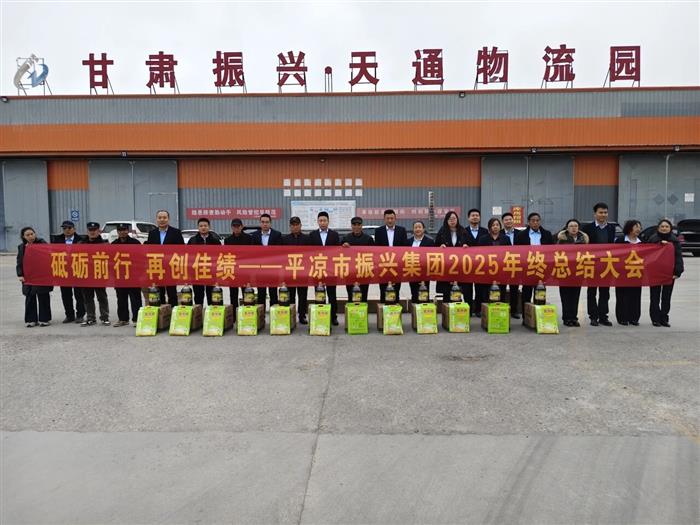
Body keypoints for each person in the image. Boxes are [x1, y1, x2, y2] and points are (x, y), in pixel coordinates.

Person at [581, 203, 616, 326]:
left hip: (607, 264)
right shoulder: (587, 228)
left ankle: (603, 316)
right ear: (595, 214)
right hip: (592, 264)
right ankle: (593, 316)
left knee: (605, 292)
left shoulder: (611, 228)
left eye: (605, 212)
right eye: (600, 212)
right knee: (592, 292)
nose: (603, 215)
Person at [647, 219, 684, 327]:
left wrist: (678, 271)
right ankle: (655, 319)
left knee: (666, 297)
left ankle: (664, 318)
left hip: (669, 273)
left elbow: (678, 257)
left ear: (670, 228)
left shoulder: (675, 241)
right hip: (655, 272)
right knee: (655, 296)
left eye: (666, 226)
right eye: (662, 226)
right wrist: (659, 244)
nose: (664, 228)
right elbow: (648, 254)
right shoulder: (653, 239)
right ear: (658, 228)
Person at [515, 212, 554, 313]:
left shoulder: (547, 234)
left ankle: (540, 314)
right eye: (533, 221)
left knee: (540, 292)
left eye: (537, 220)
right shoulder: (521, 235)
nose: (535, 223)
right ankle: (526, 315)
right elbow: (517, 252)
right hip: (527, 267)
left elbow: (552, 251)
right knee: (526, 293)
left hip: (542, 267)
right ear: (528, 222)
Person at [145, 210, 184, 307]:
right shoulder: (152, 233)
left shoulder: (176, 232)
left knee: (172, 292)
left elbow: (181, 249)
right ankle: (162, 312)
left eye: (164, 217)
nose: (162, 220)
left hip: (171, 266)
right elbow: (149, 250)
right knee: (159, 291)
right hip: (157, 266)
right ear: (156, 219)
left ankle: (173, 311)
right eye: (160, 218)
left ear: (168, 219)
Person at [308, 211, 341, 325]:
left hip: (331, 270)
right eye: (320, 221)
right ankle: (320, 315)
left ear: (328, 221)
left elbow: (338, 251)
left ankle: (333, 317)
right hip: (317, 269)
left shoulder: (334, 235)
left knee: (332, 295)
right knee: (319, 293)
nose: (322, 223)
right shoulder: (312, 235)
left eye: (324, 220)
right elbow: (308, 252)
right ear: (318, 222)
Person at [17, 226, 52, 327]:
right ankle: (31, 320)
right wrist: (20, 274)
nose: (30, 236)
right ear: (23, 237)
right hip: (28, 276)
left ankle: (44, 319)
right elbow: (19, 262)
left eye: (32, 234)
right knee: (29, 297)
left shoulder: (42, 243)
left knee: (43, 296)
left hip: (41, 275)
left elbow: (48, 257)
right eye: (27, 235)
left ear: (35, 234)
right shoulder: (22, 247)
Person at [556, 219, 589, 327]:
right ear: (567, 228)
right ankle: (566, 318)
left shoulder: (584, 239)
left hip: (578, 271)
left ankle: (574, 318)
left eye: (576, 226)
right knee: (565, 296)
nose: (573, 228)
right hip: (564, 271)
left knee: (575, 295)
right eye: (571, 226)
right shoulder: (561, 239)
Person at [52, 220, 85, 323]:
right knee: (66, 295)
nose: (67, 230)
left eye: (69, 228)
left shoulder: (81, 240)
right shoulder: (57, 239)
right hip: (64, 270)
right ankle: (69, 315)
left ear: (74, 229)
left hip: (77, 269)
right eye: (64, 228)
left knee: (79, 294)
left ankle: (80, 315)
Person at [79, 222, 110, 326]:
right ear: (87, 231)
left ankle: (104, 317)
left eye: (94, 230)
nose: (92, 232)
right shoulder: (81, 244)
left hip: (99, 274)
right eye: (90, 230)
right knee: (88, 298)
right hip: (86, 274)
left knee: (102, 297)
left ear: (99, 231)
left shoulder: (105, 244)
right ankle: (90, 318)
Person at [111, 223, 143, 327]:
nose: (122, 232)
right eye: (120, 230)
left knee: (135, 299)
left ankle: (137, 319)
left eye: (124, 230)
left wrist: (140, 273)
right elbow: (110, 261)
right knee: (121, 298)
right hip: (120, 276)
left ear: (128, 231)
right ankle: (123, 319)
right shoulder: (114, 244)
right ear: (117, 232)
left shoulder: (135, 243)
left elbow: (141, 258)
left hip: (133, 276)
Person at [434, 211, 468, 304]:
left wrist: (466, 246)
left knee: (458, 289)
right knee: (446, 290)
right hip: (446, 265)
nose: (452, 221)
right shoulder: (442, 231)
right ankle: (446, 309)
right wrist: (440, 247)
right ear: (446, 220)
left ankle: (457, 308)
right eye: (450, 219)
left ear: (457, 220)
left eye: (454, 219)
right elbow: (435, 246)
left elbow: (469, 244)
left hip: (460, 265)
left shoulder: (463, 231)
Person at [374, 209, 408, 303]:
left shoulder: (401, 230)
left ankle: (396, 309)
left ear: (395, 219)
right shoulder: (379, 231)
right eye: (387, 218)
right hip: (383, 265)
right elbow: (377, 248)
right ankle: (383, 309)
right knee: (383, 289)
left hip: (397, 265)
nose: (390, 220)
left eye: (392, 218)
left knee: (396, 289)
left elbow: (405, 247)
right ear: (384, 219)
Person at [250, 213, 283, 308]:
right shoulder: (255, 235)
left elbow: (279, 252)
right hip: (260, 269)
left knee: (273, 293)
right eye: (263, 222)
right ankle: (262, 314)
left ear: (270, 223)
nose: (265, 224)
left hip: (273, 269)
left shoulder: (277, 235)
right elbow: (252, 252)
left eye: (267, 222)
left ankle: (274, 313)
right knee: (261, 293)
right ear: (260, 223)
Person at [614, 220, 643, 326]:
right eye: (636, 227)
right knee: (622, 295)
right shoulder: (620, 240)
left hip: (636, 272)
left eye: (639, 227)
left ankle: (634, 318)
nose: (638, 229)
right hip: (622, 273)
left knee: (635, 295)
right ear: (629, 228)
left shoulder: (642, 242)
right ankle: (622, 318)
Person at [187, 217, 222, 306]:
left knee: (211, 295)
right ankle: (199, 313)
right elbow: (188, 256)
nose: (203, 228)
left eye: (205, 226)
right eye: (201, 226)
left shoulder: (215, 240)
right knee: (198, 296)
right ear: (198, 227)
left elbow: (220, 255)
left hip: (211, 271)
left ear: (209, 227)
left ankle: (210, 312)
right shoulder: (192, 240)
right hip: (197, 272)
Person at [282, 216, 310, 324]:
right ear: (290, 226)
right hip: (289, 272)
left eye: (297, 224)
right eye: (293, 225)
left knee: (302, 295)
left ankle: (302, 316)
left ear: (300, 225)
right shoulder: (284, 239)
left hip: (303, 271)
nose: (295, 227)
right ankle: (291, 315)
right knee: (291, 295)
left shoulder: (307, 239)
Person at [223, 218, 253, 321]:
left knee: (247, 293)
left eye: (238, 226)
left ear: (242, 227)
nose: (236, 228)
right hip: (233, 270)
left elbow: (253, 254)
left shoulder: (249, 238)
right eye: (234, 226)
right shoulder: (228, 240)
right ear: (232, 227)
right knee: (233, 294)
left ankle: (247, 314)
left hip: (245, 270)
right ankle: (234, 317)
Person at [342, 216, 375, 303]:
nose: (356, 227)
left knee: (363, 297)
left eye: (358, 224)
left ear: (361, 226)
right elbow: (339, 254)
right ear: (351, 226)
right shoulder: (345, 238)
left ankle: (363, 311)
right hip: (350, 272)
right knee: (350, 296)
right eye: (354, 225)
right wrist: (343, 246)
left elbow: (374, 255)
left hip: (364, 271)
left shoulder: (368, 239)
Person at [476, 218, 508, 306]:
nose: (495, 227)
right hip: (487, 269)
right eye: (493, 225)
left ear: (500, 227)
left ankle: (500, 307)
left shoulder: (505, 239)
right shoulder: (483, 239)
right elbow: (479, 254)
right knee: (486, 290)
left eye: (497, 225)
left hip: (501, 269)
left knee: (501, 290)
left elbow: (509, 253)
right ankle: (486, 308)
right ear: (489, 227)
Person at [464, 209, 489, 315]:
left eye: (477, 215)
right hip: (467, 265)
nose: (475, 217)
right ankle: (468, 310)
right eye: (472, 215)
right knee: (467, 289)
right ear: (468, 218)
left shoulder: (485, 231)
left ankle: (478, 310)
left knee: (480, 289)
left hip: (481, 265)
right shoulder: (463, 231)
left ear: (479, 218)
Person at [407, 220, 434, 303]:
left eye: (419, 227)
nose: (417, 229)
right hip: (412, 271)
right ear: (413, 229)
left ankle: (425, 309)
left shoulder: (430, 241)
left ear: (423, 229)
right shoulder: (408, 241)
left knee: (424, 293)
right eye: (415, 227)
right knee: (414, 293)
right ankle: (414, 308)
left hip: (424, 271)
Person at [501, 212, 520, 319]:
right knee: (502, 288)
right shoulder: (499, 233)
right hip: (502, 265)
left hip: (516, 264)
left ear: (513, 220)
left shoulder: (520, 234)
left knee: (514, 288)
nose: (508, 221)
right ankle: (502, 309)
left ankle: (514, 310)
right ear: (503, 222)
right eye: (506, 220)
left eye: (510, 219)